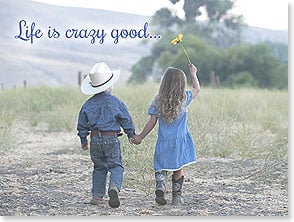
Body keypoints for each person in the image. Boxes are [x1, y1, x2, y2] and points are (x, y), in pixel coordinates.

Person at [131, 63, 200, 206]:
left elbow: (151, 122)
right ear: (182, 84)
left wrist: (140, 137)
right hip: (179, 142)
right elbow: (197, 89)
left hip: (163, 141)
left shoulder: (158, 101)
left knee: (161, 166)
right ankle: (176, 198)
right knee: (178, 168)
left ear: (164, 82)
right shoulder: (184, 98)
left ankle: (160, 185)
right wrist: (193, 73)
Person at [77, 62, 136, 208]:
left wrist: (83, 140)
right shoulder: (115, 101)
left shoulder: (87, 104)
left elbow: (82, 125)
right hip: (111, 138)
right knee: (116, 166)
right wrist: (131, 134)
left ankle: (97, 196)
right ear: (109, 85)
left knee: (99, 167)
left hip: (95, 139)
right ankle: (114, 187)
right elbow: (125, 119)